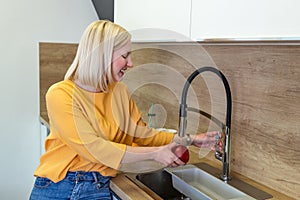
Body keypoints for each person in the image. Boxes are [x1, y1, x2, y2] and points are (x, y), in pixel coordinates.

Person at [30, 20, 219, 200]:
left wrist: (191, 139)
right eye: (125, 56)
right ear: (102, 56)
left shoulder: (119, 91)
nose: (131, 63)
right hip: (60, 187)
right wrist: (155, 153)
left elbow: (142, 134)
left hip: (99, 186)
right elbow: (95, 148)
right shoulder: (61, 94)